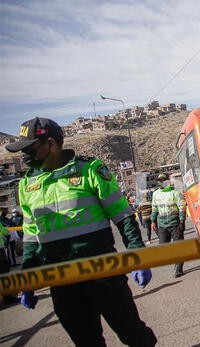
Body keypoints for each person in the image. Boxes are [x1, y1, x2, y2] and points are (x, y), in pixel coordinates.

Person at [5, 117, 156, 346]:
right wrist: (27, 278)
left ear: (52, 143)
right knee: (86, 342)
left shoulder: (90, 170)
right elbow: (31, 236)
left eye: (31, 148)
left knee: (133, 334)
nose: (26, 155)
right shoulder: (27, 185)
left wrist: (138, 256)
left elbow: (122, 216)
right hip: (62, 280)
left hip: (103, 272)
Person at [151, 173, 186, 278]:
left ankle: (179, 269)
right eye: (160, 180)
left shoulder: (175, 193)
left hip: (175, 224)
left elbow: (182, 208)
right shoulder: (155, 194)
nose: (161, 182)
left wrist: (182, 221)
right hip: (162, 224)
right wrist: (153, 221)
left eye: (163, 180)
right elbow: (154, 208)